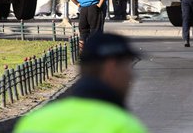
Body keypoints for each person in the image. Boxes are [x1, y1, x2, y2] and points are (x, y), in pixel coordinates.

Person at [13, 33, 147, 133]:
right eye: (127, 66)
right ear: (111, 67)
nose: (131, 75)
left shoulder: (34, 121)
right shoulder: (123, 126)